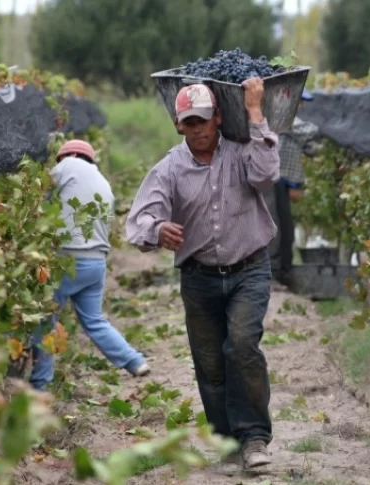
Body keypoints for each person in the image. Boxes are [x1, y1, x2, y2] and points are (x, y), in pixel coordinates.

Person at [125, 79, 278, 470]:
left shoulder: (242, 151)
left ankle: (255, 439)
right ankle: (227, 444)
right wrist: (158, 230)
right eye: (189, 123)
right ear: (179, 125)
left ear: (219, 118)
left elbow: (266, 175)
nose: (198, 130)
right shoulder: (169, 168)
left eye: (204, 121)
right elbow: (139, 219)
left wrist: (256, 113)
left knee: (242, 346)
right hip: (199, 278)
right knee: (210, 364)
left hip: (249, 268)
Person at [29, 140, 150, 391]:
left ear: (70, 155)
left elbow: (39, 196)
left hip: (68, 261)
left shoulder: (68, 165)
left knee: (45, 322)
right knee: (95, 320)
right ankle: (134, 361)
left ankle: (40, 384)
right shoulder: (103, 182)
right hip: (96, 264)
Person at [265, 90, 320, 288]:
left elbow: (309, 147)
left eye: (303, 103)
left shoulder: (287, 124)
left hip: (284, 180)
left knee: (285, 228)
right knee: (278, 227)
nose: (302, 106)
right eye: (299, 102)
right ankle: (275, 272)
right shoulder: (282, 121)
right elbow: (306, 131)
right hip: (275, 180)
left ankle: (281, 271)